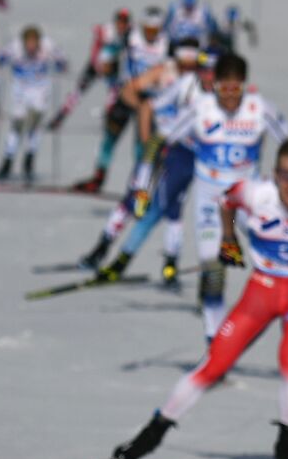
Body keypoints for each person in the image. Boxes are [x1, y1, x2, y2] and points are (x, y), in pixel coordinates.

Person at [103, 138, 288, 459]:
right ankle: (145, 441)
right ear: (274, 175)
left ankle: (287, 448)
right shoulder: (256, 193)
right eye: (286, 176)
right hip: (262, 291)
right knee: (212, 365)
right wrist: (228, 239)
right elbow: (226, 200)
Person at [129, 52, 288, 340]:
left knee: (279, 253)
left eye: (236, 89)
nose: (230, 97)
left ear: (245, 85)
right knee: (212, 263)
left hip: (248, 198)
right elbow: (159, 140)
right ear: (213, 85)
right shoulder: (200, 109)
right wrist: (143, 184)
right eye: (223, 89)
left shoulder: (259, 109)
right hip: (211, 200)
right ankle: (214, 338)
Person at [82, 40, 211, 281]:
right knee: (137, 199)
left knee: (173, 208)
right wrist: (145, 140)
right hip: (160, 148)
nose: (195, 69)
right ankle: (103, 248)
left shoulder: (210, 91)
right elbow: (143, 101)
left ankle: (169, 265)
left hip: (184, 156)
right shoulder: (174, 77)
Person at [71, 7, 171, 194]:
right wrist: (107, 65)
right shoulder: (131, 37)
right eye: (148, 30)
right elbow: (109, 51)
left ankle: (138, 185)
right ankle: (99, 176)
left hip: (150, 100)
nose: (151, 34)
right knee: (110, 136)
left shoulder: (166, 43)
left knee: (142, 143)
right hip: (127, 95)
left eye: (154, 30)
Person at [0, 26, 67, 183]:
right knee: (17, 125)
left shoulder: (47, 45)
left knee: (34, 124)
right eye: (29, 42)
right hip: (20, 89)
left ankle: (29, 160)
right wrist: (0, 61)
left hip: (40, 89)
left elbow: (62, 60)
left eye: (34, 42)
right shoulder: (15, 47)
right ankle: (7, 162)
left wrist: (60, 64)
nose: (31, 46)